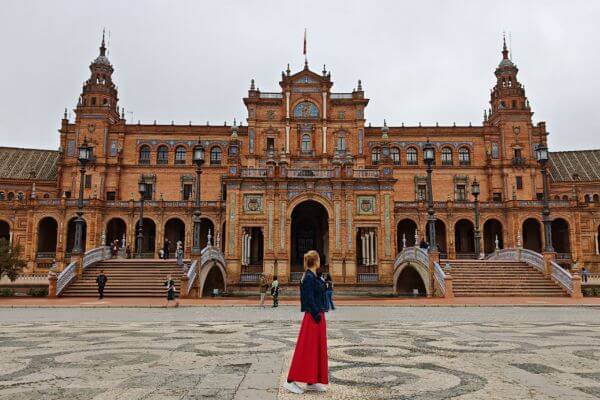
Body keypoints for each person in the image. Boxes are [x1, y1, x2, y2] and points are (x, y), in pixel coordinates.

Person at [283, 250, 329, 394]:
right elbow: (308, 298)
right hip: (313, 316)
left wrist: (322, 281)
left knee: (315, 349)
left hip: (317, 314)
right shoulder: (308, 277)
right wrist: (316, 315)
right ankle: (289, 381)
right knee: (306, 349)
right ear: (316, 261)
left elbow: (318, 291)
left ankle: (311, 380)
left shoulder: (312, 276)